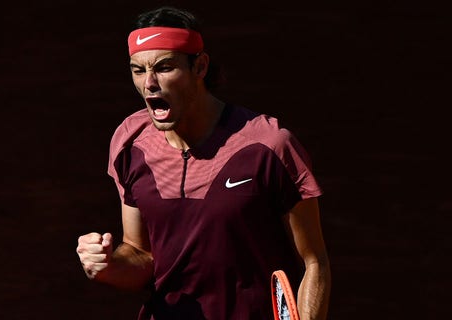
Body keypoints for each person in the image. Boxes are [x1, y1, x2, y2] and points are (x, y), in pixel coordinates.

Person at [76, 6, 331, 320]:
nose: (149, 84)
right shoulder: (129, 143)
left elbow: (314, 262)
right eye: (138, 70)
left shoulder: (269, 146)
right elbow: (142, 254)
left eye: (165, 67)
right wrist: (106, 266)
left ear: (200, 67)